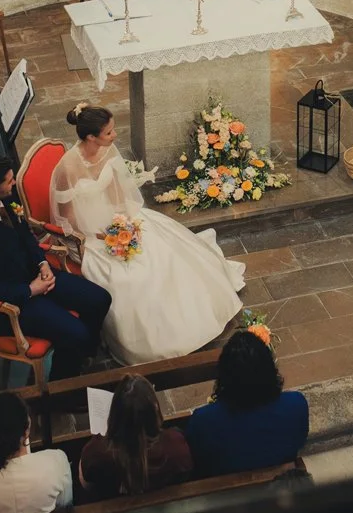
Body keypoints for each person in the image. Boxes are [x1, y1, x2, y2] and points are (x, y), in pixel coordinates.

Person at [48, 104, 245, 364]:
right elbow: (67, 219)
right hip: (89, 237)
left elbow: (117, 193)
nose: (114, 136)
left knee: (165, 253)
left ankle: (191, 318)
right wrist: (100, 235)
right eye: (108, 133)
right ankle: (151, 342)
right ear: (90, 137)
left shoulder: (107, 151)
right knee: (131, 279)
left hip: (117, 222)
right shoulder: (67, 169)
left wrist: (124, 222)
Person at [0, 154, 111, 380]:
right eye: (9, 181)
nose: (14, 183)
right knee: (77, 332)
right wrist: (31, 290)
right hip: (12, 303)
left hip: (37, 275)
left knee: (100, 299)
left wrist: (42, 262)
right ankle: (62, 384)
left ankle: (77, 355)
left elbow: (26, 236)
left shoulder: (5, 200)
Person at [186, 330, 309, 477]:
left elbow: (199, 461)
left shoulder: (203, 421)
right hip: (280, 488)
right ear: (270, 370)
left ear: (224, 376)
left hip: (227, 495)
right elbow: (299, 441)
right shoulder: (296, 405)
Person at [78, 374, 192, 500]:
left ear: (115, 414)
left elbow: (86, 484)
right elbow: (185, 476)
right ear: (154, 410)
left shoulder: (96, 452)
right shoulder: (176, 447)